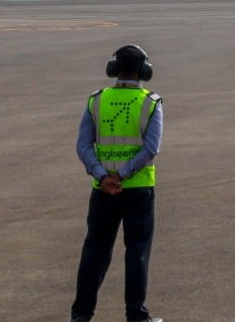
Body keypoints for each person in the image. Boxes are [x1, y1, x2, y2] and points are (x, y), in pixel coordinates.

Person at [71, 45, 164, 322]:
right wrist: (123, 175)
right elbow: (151, 149)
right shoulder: (150, 102)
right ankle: (136, 316)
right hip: (138, 190)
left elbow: (83, 146)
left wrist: (104, 176)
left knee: (95, 252)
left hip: (103, 191)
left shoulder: (96, 100)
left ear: (113, 68)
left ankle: (80, 316)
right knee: (137, 251)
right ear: (144, 71)